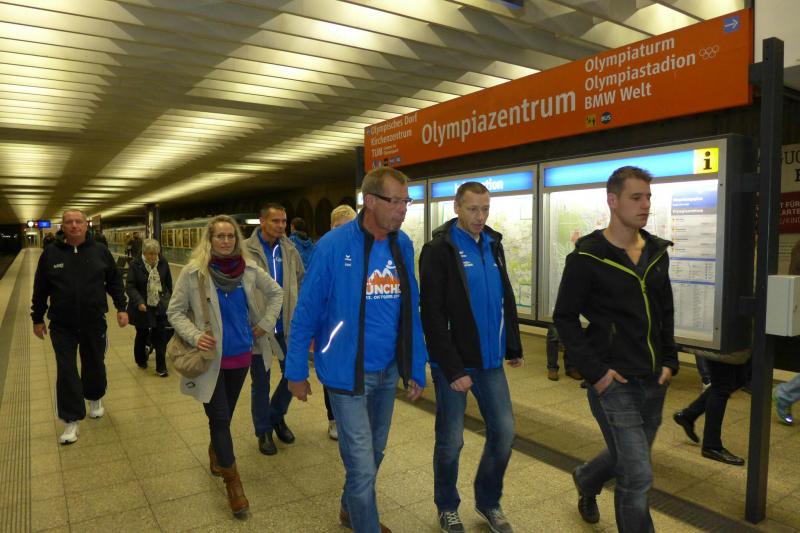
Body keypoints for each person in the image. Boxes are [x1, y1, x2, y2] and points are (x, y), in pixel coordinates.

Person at [285, 167, 427, 533]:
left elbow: (411, 310)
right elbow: (306, 312)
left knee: (374, 453)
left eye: (406, 201)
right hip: (346, 372)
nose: (403, 209)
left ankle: (349, 509)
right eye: (395, 201)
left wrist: (415, 365)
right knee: (362, 465)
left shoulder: (402, 244)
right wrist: (295, 371)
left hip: (387, 370)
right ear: (371, 201)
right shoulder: (333, 247)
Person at [553, 166, 678, 532]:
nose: (645, 205)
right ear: (613, 200)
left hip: (654, 380)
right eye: (636, 197)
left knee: (628, 457)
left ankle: (586, 479)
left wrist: (669, 360)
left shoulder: (656, 253)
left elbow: (665, 311)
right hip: (614, 382)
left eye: (648, 197)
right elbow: (565, 318)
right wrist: (596, 373)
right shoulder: (588, 257)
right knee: (637, 474)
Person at [419, 181, 523, 533]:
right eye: (473, 209)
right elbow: (432, 314)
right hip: (455, 364)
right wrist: (452, 369)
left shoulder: (493, 244)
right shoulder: (439, 250)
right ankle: (447, 506)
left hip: (489, 361)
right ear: (457, 208)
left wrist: (513, 345)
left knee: (504, 432)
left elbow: (503, 296)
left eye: (485, 209)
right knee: (451, 440)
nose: (480, 216)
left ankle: (488, 501)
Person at [167, 215, 282, 517]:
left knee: (225, 415)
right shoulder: (194, 273)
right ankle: (234, 485)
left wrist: (265, 323)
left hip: (241, 356)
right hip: (209, 360)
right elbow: (174, 312)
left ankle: (216, 450)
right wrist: (195, 336)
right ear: (210, 239)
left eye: (231, 236)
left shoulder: (249, 270)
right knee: (218, 417)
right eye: (220, 236)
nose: (226, 241)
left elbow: (276, 293)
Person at [31, 209, 129, 445]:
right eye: (69, 222)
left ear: (86, 225)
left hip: (93, 321)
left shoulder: (100, 251)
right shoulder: (51, 253)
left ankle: (94, 397)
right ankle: (71, 420)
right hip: (61, 324)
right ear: (62, 227)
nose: (74, 225)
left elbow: (114, 281)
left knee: (94, 362)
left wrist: (121, 307)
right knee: (66, 370)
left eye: (78, 221)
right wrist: (37, 318)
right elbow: (40, 287)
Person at [244, 203, 304, 455]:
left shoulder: (290, 249)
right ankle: (264, 430)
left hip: (287, 327)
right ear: (262, 221)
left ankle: (276, 415)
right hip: (260, 330)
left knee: (293, 374)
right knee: (261, 382)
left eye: (283, 221)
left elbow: (301, 278)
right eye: (275, 221)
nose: (281, 226)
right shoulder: (245, 251)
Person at [321, 203, 358, 440]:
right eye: (338, 227)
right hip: (332, 329)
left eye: (348, 227)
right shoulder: (325, 252)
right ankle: (333, 418)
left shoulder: (363, 251)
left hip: (355, 328)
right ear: (331, 227)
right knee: (332, 375)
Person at [673, 358, 748, 465]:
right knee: (721, 386)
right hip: (721, 350)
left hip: (732, 350)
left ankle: (688, 415)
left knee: (739, 379)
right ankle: (711, 445)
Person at [126, 238, 173, 376]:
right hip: (141, 306)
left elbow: (168, 284)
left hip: (159, 305)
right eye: (150, 254)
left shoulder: (163, 263)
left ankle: (161, 367)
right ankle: (141, 359)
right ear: (144, 253)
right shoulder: (135, 265)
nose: (153, 257)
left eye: (155, 254)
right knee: (142, 334)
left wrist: (171, 301)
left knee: (161, 335)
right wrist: (139, 301)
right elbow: (130, 286)